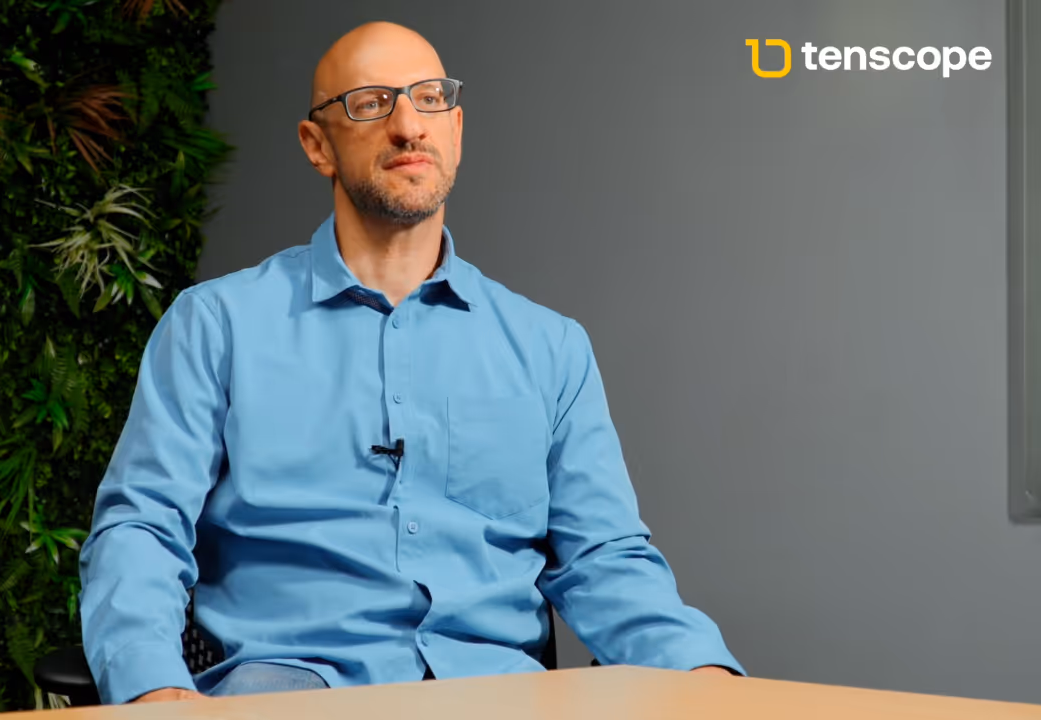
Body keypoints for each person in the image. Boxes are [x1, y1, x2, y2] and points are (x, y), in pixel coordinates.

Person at [78, 21, 743, 706]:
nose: (407, 126)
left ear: (455, 128)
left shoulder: (550, 347)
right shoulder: (215, 326)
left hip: (500, 697)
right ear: (317, 145)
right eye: (371, 103)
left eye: (429, 99)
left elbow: (603, 558)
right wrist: (152, 687)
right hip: (290, 692)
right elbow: (142, 529)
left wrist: (700, 671)